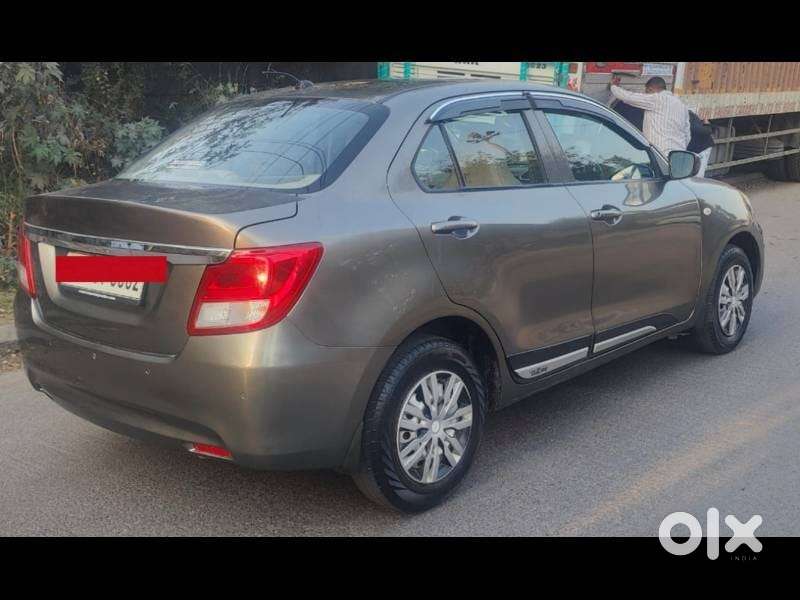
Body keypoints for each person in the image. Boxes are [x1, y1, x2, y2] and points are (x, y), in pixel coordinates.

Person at [609, 76, 691, 157]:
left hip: (661, 154)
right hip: (679, 156)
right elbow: (687, 136)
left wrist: (613, 86)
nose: (646, 95)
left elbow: (628, 97)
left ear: (650, 89)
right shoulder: (682, 105)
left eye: (646, 93)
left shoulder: (656, 99)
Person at [688, 110, 714, 177]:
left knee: (698, 174)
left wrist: (707, 124)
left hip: (702, 148)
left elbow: (707, 131)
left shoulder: (689, 116)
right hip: (693, 148)